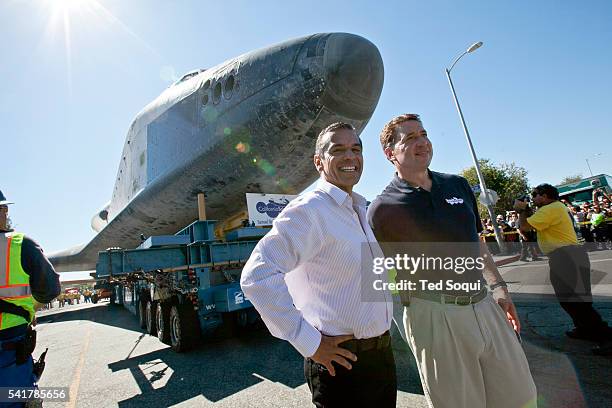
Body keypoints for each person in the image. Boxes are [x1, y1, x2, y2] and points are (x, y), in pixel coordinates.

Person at [368, 114, 537, 408]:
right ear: (389, 154)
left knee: (521, 396)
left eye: (423, 134)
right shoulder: (383, 208)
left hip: (484, 303)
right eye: (409, 138)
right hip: (434, 313)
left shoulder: (457, 185)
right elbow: (383, 272)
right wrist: (411, 315)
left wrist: (499, 289)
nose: (421, 142)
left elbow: (479, 245)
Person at [240, 123, 395, 407]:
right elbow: (257, 276)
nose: (350, 156)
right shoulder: (309, 210)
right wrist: (309, 342)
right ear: (318, 161)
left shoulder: (359, 209)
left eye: (355, 149)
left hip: (381, 360)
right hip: (343, 366)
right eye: (338, 150)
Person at [515, 183, 612, 355]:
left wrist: (521, 211)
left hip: (566, 256)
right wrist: (527, 209)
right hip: (567, 256)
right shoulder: (554, 207)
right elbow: (535, 222)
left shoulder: (550, 209)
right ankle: (584, 328)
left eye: (535, 194)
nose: (533, 197)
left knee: (576, 300)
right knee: (569, 298)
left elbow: (524, 227)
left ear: (545, 196)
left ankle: (606, 337)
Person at [0, 190, 61, 405]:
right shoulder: (19, 244)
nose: (6, 213)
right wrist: (30, 308)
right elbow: (51, 288)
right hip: (10, 348)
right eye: (3, 208)